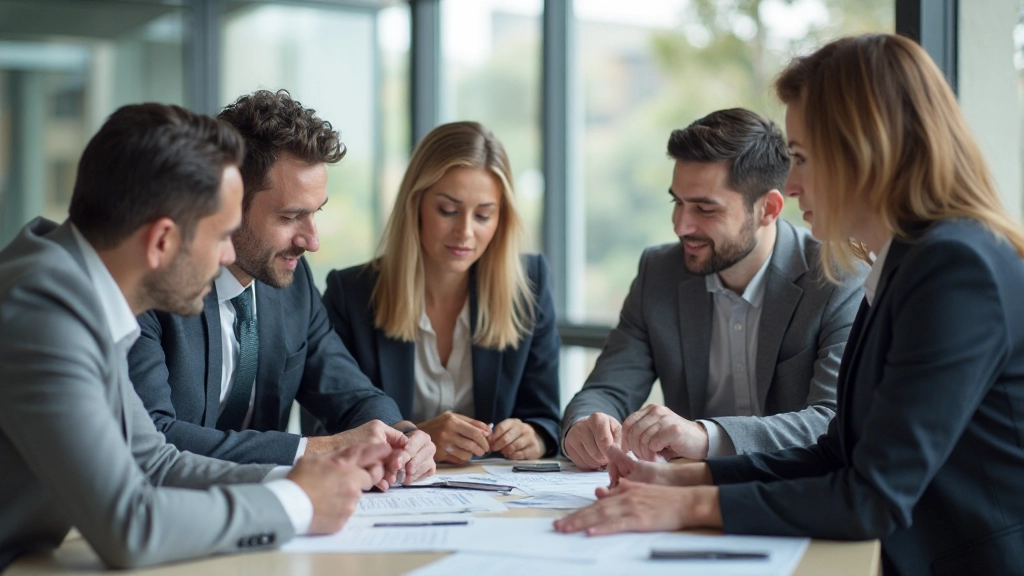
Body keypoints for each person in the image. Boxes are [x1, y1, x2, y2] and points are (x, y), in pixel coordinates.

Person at [554, 33, 1024, 575]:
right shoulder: (903, 261)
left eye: (801, 157)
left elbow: (871, 496)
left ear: (864, 150)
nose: (793, 184)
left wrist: (685, 505)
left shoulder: (953, 268)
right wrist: (684, 477)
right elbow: (838, 452)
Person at [0, 103, 392, 571]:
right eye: (222, 234)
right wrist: (298, 503)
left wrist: (303, 477)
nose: (228, 254)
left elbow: (156, 462)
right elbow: (132, 526)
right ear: (162, 240)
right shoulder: (43, 311)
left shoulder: (76, 289)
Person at [128, 90, 434, 488]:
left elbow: (353, 395)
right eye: (291, 217)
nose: (312, 241)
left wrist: (403, 436)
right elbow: (154, 438)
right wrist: (311, 449)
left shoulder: (292, 285)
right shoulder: (153, 287)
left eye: (315, 213)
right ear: (228, 205)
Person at [561, 108, 864, 469]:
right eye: (678, 202)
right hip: (680, 503)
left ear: (768, 208)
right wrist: (585, 427)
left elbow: (832, 420)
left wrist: (706, 436)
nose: (680, 225)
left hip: (791, 500)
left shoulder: (838, 278)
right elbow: (607, 389)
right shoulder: (658, 273)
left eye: (705, 209)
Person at [322, 121, 560, 464]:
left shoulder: (530, 284)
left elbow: (546, 416)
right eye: (448, 210)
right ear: (415, 204)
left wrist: (534, 437)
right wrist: (413, 437)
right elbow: (326, 425)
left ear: (501, 220)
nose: (465, 232)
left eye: (483, 215)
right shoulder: (351, 294)